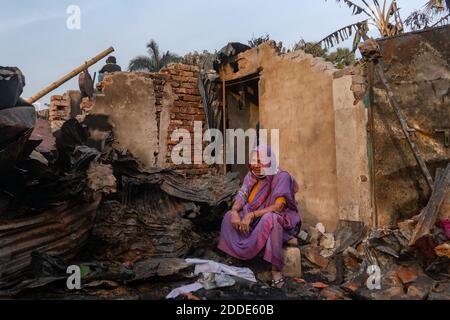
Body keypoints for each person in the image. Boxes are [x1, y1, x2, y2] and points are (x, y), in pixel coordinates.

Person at [218, 145, 301, 288]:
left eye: (260, 160)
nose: (255, 165)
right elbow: (242, 196)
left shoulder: (281, 176)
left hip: (277, 217)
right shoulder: (251, 176)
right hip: (254, 216)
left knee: (271, 218)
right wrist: (234, 212)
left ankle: (275, 270)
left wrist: (252, 215)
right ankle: (237, 257)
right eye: (253, 160)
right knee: (227, 217)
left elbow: (278, 207)